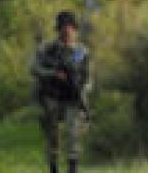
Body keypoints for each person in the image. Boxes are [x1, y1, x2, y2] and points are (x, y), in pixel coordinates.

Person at [32, 11, 92, 173]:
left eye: (70, 28)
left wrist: (83, 91)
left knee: (73, 134)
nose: (67, 32)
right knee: (53, 137)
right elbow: (35, 69)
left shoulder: (81, 52)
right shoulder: (48, 49)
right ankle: (53, 167)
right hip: (52, 97)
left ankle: (73, 168)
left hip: (72, 97)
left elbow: (87, 78)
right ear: (58, 30)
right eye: (63, 29)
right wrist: (53, 74)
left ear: (75, 30)